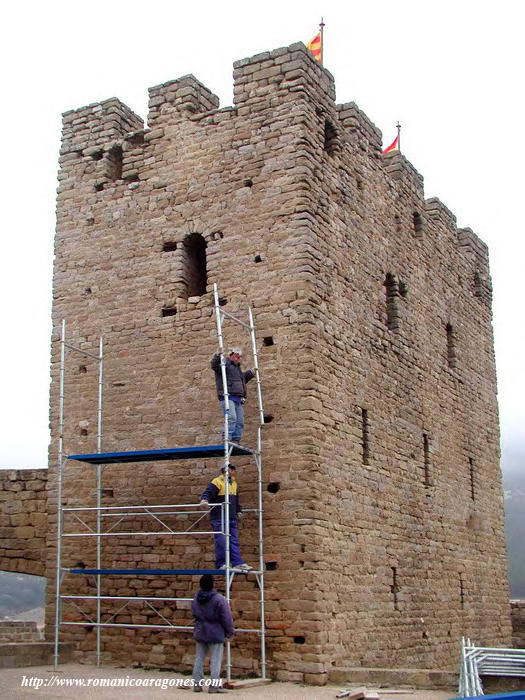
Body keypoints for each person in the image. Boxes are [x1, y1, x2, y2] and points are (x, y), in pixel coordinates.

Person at [199, 464, 254, 572]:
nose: (234, 472)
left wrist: (238, 511)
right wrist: (204, 500)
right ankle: (222, 563)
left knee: (234, 540)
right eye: (233, 470)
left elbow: (236, 500)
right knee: (221, 541)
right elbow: (208, 492)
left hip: (231, 516)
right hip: (219, 517)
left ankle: (237, 563)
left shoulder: (234, 483)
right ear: (227, 470)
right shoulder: (217, 481)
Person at [191, 574, 234, 693]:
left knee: (199, 658)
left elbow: (194, 613)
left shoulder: (196, 598)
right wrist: (230, 631)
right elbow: (226, 617)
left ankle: (197, 684)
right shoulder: (219, 599)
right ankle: (214, 686)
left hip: (200, 630)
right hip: (215, 632)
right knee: (215, 660)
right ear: (212, 584)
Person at [211, 348, 255, 444]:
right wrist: (218, 356)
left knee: (240, 422)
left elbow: (241, 381)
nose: (237, 358)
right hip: (228, 396)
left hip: (238, 398)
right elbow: (215, 366)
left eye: (239, 357)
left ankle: (235, 439)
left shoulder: (237, 369)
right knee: (232, 418)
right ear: (230, 356)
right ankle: (226, 437)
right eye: (235, 355)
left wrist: (251, 373)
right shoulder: (225, 365)